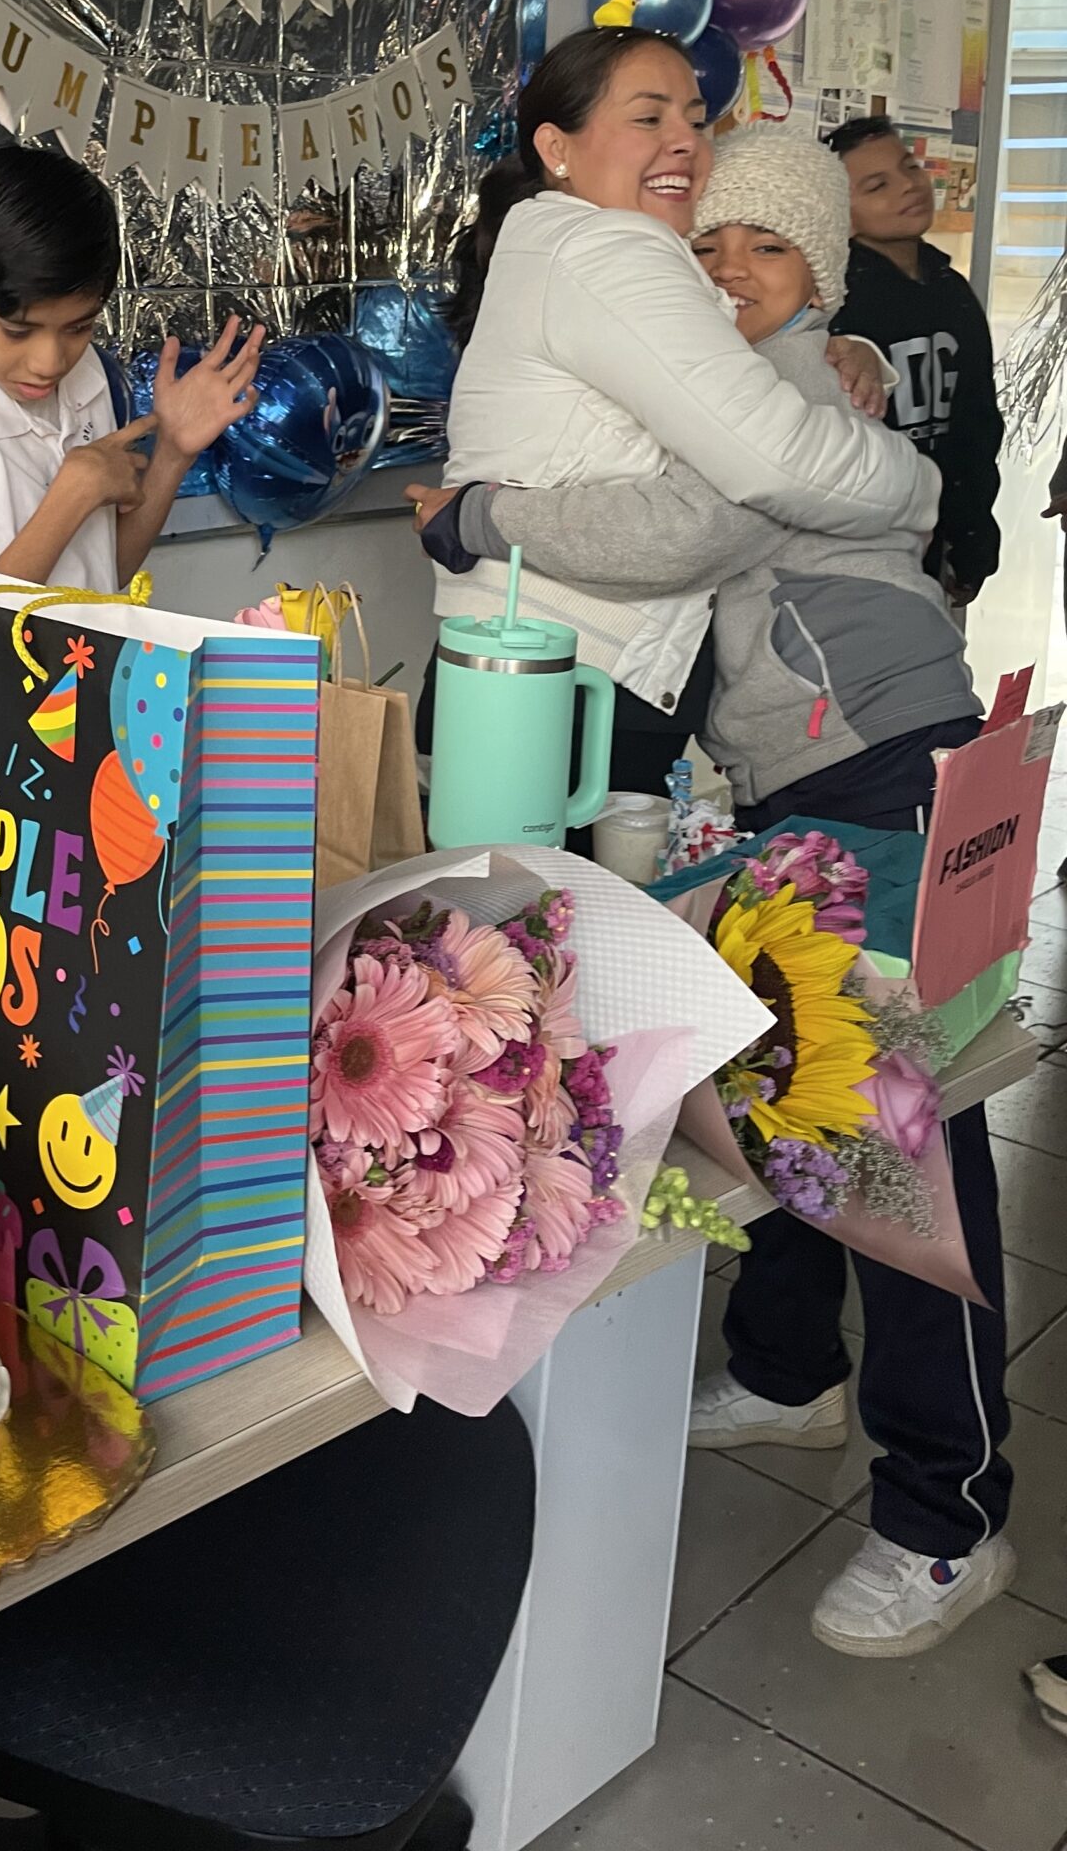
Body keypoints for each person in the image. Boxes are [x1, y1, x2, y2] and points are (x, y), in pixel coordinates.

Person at [416, 134, 1013, 1659]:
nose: (730, 268)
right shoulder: (750, 385)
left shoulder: (794, 395)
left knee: (903, 1137)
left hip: (884, 765)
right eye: (711, 245)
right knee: (781, 1074)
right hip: (801, 774)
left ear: (824, 275)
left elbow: (680, 528)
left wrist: (477, 517)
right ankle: (788, 1366)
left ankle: (949, 1518)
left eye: (769, 247)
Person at [417, 26, 939, 800]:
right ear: (557, 147)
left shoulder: (587, 248)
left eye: (695, 119)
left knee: (526, 879)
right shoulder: (609, 250)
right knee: (528, 878)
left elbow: (742, 375)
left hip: (583, 669)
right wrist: (917, 487)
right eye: (648, 117)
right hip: (565, 671)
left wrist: (845, 347)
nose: (685, 141)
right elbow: (762, 473)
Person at [0, 145, 262, 588]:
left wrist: (174, 453)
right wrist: (72, 496)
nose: (50, 362)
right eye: (18, 331)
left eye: (78, 328)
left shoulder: (86, 374)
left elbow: (105, 570)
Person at [829, 115, 1002, 608]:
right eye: (877, 185)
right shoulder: (834, 297)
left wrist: (974, 536)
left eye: (909, 167)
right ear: (839, 212)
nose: (908, 186)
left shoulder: (950, 287)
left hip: (939, 541)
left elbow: (977, 421)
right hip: (860, 548)